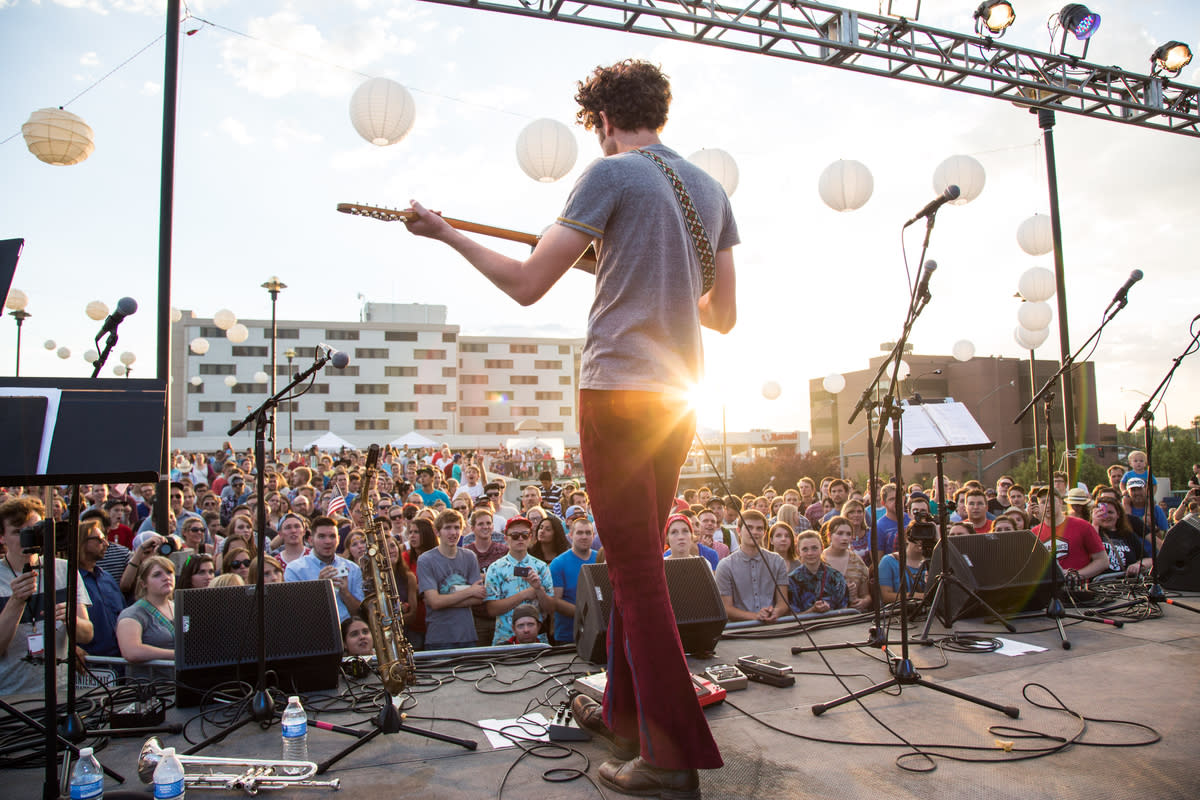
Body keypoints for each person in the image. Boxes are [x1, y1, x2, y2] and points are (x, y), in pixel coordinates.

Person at [403, 58, 735, 791]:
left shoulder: (610, 173)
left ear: (603, 122)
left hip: (617, 390)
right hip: (679, 393)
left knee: (638, 575)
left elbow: (525, 285)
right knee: (634, 562)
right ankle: (625, 715)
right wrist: (613, 263)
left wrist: (445, 232)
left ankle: (672, 756)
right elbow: (723, 315)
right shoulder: (708, 190)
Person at [1, 497, 93, 695]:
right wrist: (16, 602)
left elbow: (87, 634)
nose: (29, 539)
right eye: (19, 532)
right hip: (10, 696)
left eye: (34, 531)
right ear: (2, 537)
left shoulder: (63, 569)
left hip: (59, 693)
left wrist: (70, 620)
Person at [418, 509, 486, 650]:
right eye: (447, 528)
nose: (453, 532)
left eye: (456, 527)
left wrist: (444, 599)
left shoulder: (469, 556)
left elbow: (478, 598)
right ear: (437, 532)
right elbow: (434, 602)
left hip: (467, 635)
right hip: (439, 638)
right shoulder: (426, 560)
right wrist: (469, 592)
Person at [485, 517, 555, 645]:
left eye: (525, 535)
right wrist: (524, 594)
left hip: (537, 641)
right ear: (506, 538)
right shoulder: (495, 569)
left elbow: (551, 609)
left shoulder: (541, 567)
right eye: (515, 536)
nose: (520, 539)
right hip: (505, 640)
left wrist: (538, 589)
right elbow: (491, 609)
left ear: (530, 537)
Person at [284, 516, 364, 623]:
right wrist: (319, 589)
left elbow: (360, 613)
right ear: (311, 540)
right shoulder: (295, 570)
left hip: (348, 632)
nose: (328, 541)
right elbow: (296, 615)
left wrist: (345, 593)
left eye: (332, 536)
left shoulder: (353, 569)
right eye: (321, 537)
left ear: (338, 540)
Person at [714, 510, 789, 624]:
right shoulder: (725, 565)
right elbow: (726, 608)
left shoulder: (777, 561)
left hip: (772, 626)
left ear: (764, 533)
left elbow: (783, 602)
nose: (754, 532)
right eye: (749, 527)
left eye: (759, 528)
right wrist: (755, 616)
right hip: (740, 630)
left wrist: (775, 612)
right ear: (738, 531)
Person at [116, 556, 175, 682]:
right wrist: (175, 655)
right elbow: (131, 651)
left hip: (182, 686)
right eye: (157, 575)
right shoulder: (133, 614)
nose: (166, 577)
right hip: (149, 690)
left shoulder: (181, 607)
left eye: (169, 572)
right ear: (144, 583)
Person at [1031, 488, 1109, 583]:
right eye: (1043, 502)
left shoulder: (1083, 526)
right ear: (1038, 506)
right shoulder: (1034, 534)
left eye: (1052, 501)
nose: (1048, 505)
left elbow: (1103, 561)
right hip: (1048, 592)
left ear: (1060, 502)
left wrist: (1076, 575)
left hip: (1078, 591)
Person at [77, 518, 124, 658]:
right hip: (88, 663)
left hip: (118, 659)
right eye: (99, 540)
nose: (106, 544)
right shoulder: (67, 581)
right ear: (82, 542)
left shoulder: (107, 578)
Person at [549, 514, 598, 645]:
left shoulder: (600, 559)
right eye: (579, 533)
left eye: (588, 533)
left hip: (598, 633)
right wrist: (588, 616)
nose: (584, 536)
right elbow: (556, 602)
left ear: (593, 536)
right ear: (570, 535)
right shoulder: (558, 563)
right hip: (568, 635)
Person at [788, 530, 849, 615]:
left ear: (822, 548)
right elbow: (793, 617)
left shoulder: (836, 577)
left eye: (814, 548)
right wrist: (813, 610)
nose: (810, 553)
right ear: (798, 551)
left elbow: (844, 610)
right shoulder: (792, 580)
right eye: (805, 549)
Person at [821, 517, 871, 612]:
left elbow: (866, 595)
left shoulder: (857, 561)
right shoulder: (820, 560)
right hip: (827, 617)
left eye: (848, 534)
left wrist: (864, 602)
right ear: (829, 535)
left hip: (852, 617)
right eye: (840, 533)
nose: (844, 538)